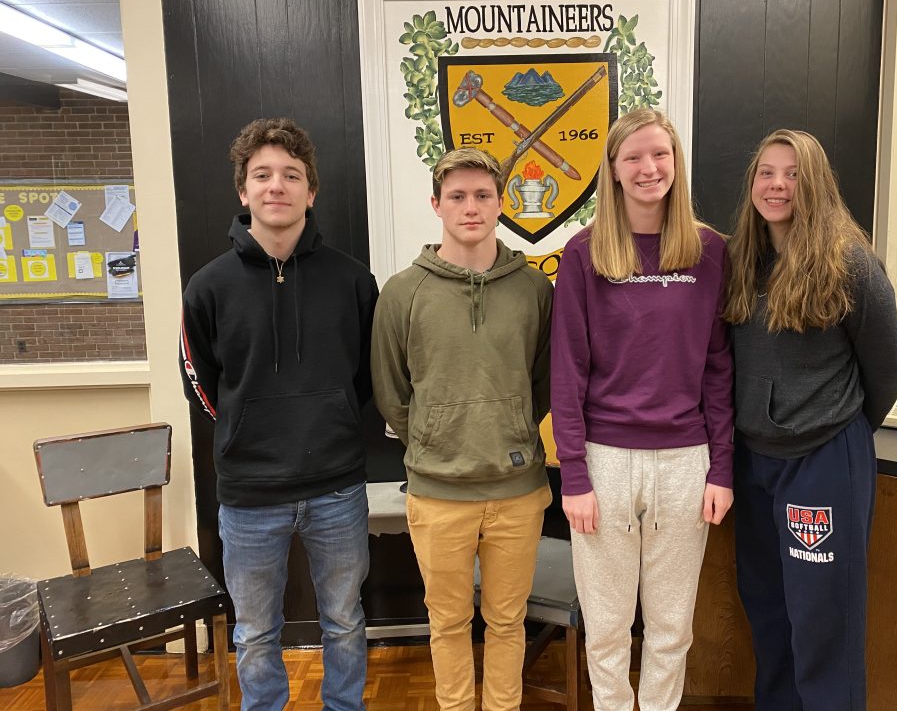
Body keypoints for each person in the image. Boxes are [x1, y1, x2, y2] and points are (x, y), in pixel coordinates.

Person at [179, 117, 378, 711]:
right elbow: (199, 380)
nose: (276, 186)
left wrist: (333, 418)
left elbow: (367, 375)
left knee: (344, 620)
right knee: (255, 631)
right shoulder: (208, 286)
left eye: (291, 175)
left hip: (336, 486)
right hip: (249, 493)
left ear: (310, 192)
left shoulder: (352, 280)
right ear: (243, 191)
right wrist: (243, 428)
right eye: (262, 175)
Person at [551, 108, 734, 711]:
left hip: (686, 462)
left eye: (660, 154)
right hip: (603, 462)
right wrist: (573, 476)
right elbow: (568, 371)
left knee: (671, 627)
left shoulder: (709, 251)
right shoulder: (584, 253)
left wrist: (721, 467)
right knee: (605, 627)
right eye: (633, 157)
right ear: (612, 169)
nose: (648, 167)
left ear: (676, 161)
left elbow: (718, 369)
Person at [723, 129, 897, 711]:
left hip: (822, 462)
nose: (777, 185)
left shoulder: (851, 265)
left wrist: (833, 429)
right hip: (754, 460)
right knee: (768, 608)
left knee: (824, 620)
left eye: (794, 174)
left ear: (817, 184)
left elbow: (888, 373)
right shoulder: (741, 262)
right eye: (767, 173)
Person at [370, 148, 553, 711]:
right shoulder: (403, 292)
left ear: (500, 204)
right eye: (457, 196)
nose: (470, 207)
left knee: (507, 621)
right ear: (436, 204)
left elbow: (545, 379)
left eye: (482, 195)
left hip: (517, 490)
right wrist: (434, 438)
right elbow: (391, 390)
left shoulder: (534, 289)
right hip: (437, 493)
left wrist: (509, 427)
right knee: (447, 622)